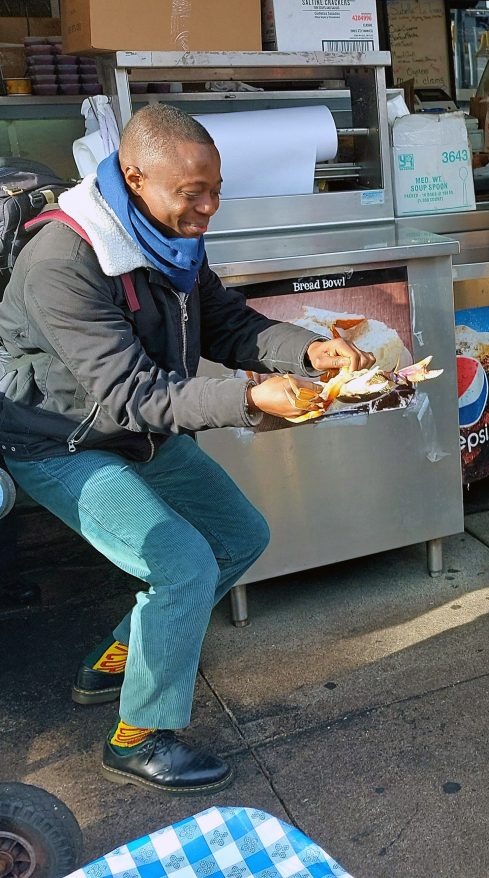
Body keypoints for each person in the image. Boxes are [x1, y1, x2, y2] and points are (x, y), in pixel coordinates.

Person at [0, 104, 375, 795]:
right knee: (182, 564)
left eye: (216, 189)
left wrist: (308, 351)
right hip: (60, 442)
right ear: (135, 177)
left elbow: (225, 324)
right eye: (191, 194)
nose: (207, 209)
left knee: (240, 536)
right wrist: (250, 399)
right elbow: (132, 393)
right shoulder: (64, 258)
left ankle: (114, 660)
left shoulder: (170, 235)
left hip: (133, 429)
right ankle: (139, 736)